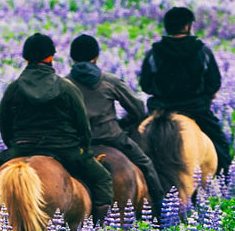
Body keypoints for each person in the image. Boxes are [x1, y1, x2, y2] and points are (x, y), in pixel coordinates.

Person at [0, 33, 115, 222]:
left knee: (0, 176)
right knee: (102, 179)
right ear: (51, 57)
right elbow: (82, 124)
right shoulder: (66, 87)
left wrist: (13, 144)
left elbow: (3, 120)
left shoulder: (15, 88)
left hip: (23, 147)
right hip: (64, 149)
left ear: (26, 58)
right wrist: (84, 146)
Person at [65, 33, 165, 205]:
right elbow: (138, 109)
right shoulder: (110, 81)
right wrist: (121, 124)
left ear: (72, 58)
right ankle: (160, 208)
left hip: (77, 142)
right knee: (146, 164)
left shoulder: (64, 83)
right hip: (111, 137)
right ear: (96, 57)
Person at [139, 6, 232, 174]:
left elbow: (145, 85)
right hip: (195, 109)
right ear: (188, 26)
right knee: (221, 148)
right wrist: (204, 96)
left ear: (167, 27)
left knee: (134, 145)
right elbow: (214, 83)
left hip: (160, 110)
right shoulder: (202, 51)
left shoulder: (154, 52)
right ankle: (224, 184)